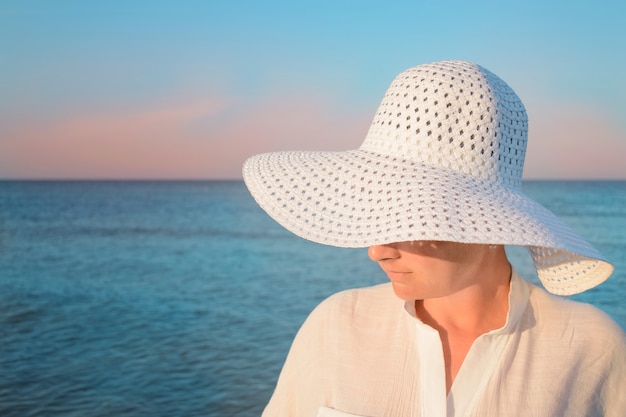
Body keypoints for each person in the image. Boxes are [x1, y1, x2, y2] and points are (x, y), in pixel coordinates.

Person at [242, 60, 626, 417]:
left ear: (487, 220)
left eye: (409, 217)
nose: (377, 250)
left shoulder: (590, 347)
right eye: (379, 210)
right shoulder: (337, 326)